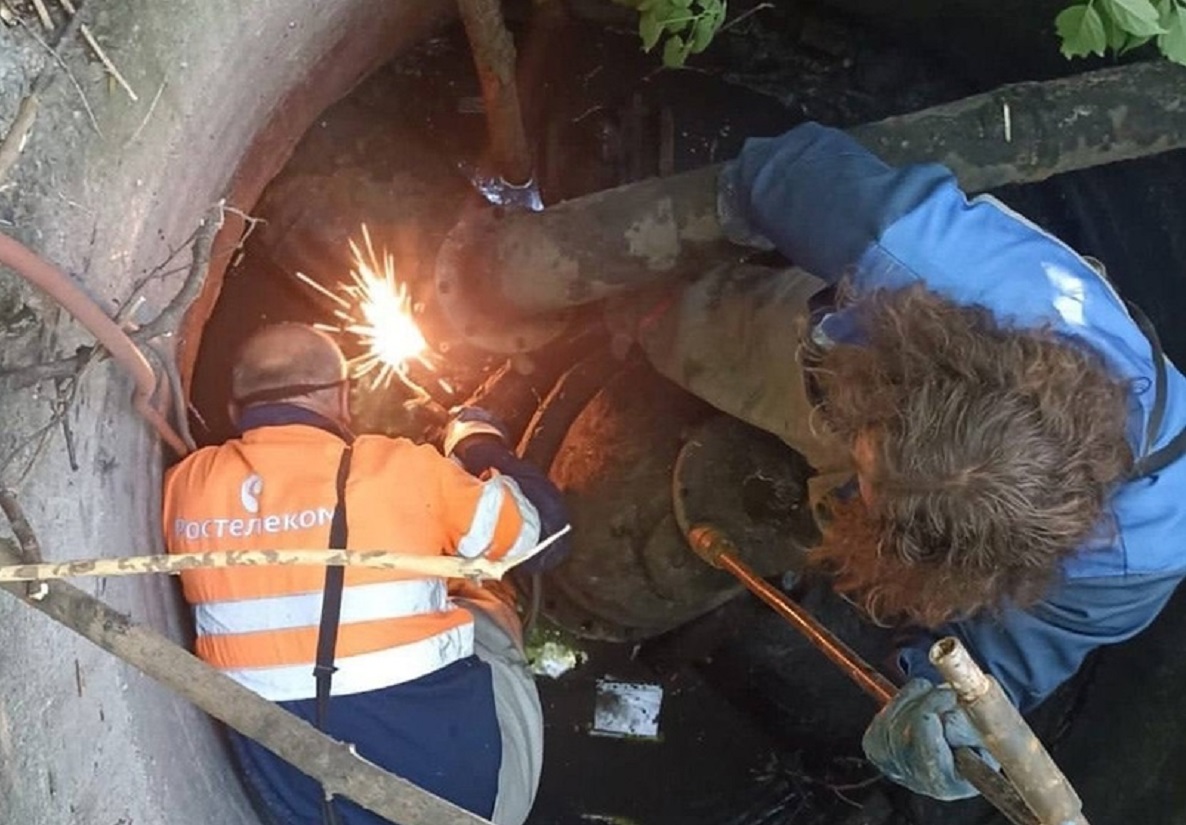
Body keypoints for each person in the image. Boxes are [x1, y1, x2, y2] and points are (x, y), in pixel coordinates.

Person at [636, 121, 1186, 800]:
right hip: (874, 354)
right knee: (688, 328)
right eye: (869, 469)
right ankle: (645, 319)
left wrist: (951, 715)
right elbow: (782, 171)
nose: (857, 490)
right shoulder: (922, 257)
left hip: (910, 427)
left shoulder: (1126, 571)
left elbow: (999, 671)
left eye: (872, 500)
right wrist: (725, 211)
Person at [163, 323, 571, 825]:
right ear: (343, 398)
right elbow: (547, 538)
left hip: (299, 807)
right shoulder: (404, 468)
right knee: (484, 595)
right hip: (464, 807)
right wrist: (477, 443)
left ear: (233, 412)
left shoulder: (185, 485)